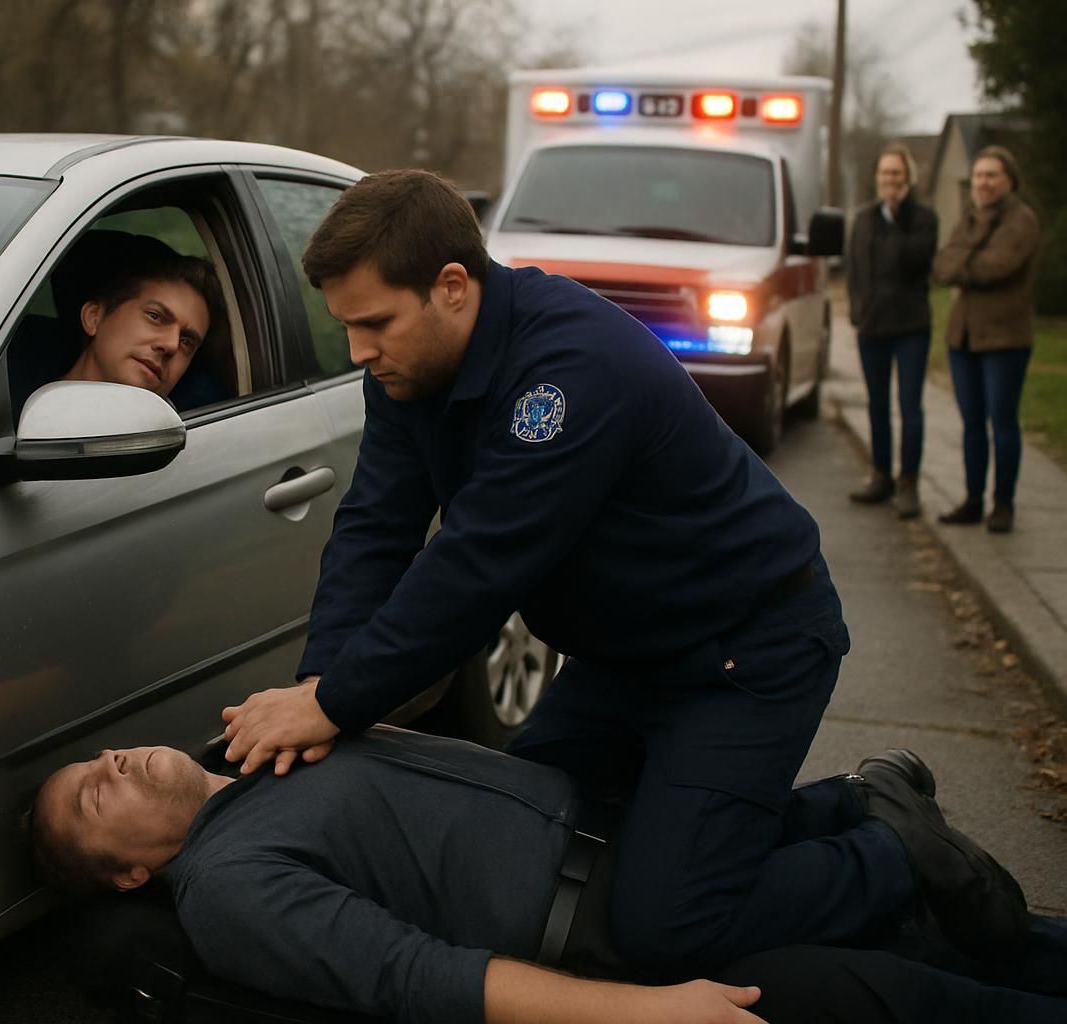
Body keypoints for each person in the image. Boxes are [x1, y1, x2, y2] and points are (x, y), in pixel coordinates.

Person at [217, 169, 1025, 973]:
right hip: (625, 656)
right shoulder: (409, 369)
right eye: (348, 327)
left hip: (745, 650)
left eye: (375, 324)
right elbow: (374, 527)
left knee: (666, 927)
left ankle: (897, 855)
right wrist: (319, 682)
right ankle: (842, 806)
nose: (360, 351)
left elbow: (474, 568)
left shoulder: (567, 371)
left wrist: (332, 703)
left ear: (453, 287)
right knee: (523, 843)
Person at [30, 729, 1067, 1024]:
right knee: (919, 971)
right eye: (91, 796)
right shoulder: (227, 886)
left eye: (99, 755)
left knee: (967, 934)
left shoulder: (265, 749)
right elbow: (419, 977)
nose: (112, 762)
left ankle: (871, 813)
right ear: (127, 875)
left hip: (638, 835)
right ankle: (889, 831)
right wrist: (655, 1014)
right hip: (619, 925)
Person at [931, 145, 1041, 534]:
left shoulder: (1021, 220)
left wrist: (965, 263)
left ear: (1008, 180)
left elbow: (998, 266)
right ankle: (973, 499)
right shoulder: (970, 220)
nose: (983, 182)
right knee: (971, 423)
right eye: (978, 175)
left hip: (1005, 339)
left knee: (1003, 422)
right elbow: (942, 266)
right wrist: (966, 263)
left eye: (991, 175)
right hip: (962, 339)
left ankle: (1004, 503)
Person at [7, 231, 225, 418]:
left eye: (186, 341)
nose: (171, 345)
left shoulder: (186, 441)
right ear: (94, 317)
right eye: (155, 316)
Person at [845, 142, 939, 518]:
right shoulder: (864, 218)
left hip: (911, 326)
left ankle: (909, 483)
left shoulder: (923, 219)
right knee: (877, 405)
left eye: (897, 174)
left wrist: (897, 216)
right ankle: (880, 475)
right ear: (876, 177)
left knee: (909, 406)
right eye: (885, 173)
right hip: (873, 325)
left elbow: (914, 261)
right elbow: (854, 268)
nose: (890, 180)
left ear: (908, 178)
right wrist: (856, 310)